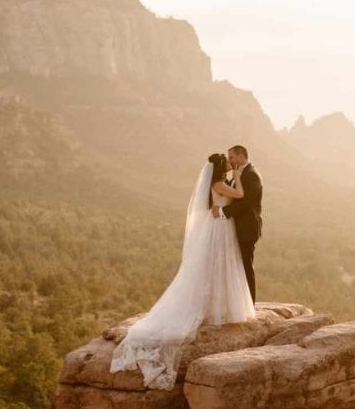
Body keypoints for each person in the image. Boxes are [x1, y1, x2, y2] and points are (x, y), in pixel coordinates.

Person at [109, 152, 255, 390]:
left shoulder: (217, 182)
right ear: (221, 167)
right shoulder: (219, 184)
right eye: (227, 162)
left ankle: (218, 305)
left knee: (219, 267)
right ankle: (215, 307)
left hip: (220, 225)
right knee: (217, 266)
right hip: (219, 228)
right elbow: (239, 195)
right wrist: (238, 176)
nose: (231, 163)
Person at [211, 145, 262, 305]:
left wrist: (222, 211)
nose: (230, 160)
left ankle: (249, 305)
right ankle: (237, 303)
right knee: (235, 266)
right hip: (233, 228)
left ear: (241, 156)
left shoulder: (251, 175)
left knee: (245, 266)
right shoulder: (237, 174)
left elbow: (246, 203)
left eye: (232, 157)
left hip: (246, 228)